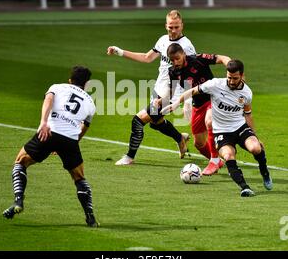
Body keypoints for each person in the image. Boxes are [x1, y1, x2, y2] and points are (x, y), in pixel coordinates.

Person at [3, 66, 99, 227]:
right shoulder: (91, 103)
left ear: (70, 79)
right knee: (80, 178)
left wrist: (43, 122)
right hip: (70, 140)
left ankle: (18, 201)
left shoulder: (57, 87)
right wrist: (75, 140)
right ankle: (90, 218)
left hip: (49, 132)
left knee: (20, 162)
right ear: (86, 84)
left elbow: (48, 100)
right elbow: (85, 126)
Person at [162, 59, 273, 197]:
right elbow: (192, 91)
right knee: (228, 156)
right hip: (221, 131)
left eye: (235, 78)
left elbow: (248, 115)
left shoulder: (247, 93)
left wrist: (255, 136)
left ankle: (265, 172)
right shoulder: (215, 84)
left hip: (240, 127)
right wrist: (177, 103)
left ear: (242, 76)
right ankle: (244, 187)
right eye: (229, 77)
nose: (231, 81)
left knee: (256, 148)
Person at [107, 10, 197, 165]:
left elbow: (192, 73)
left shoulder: (187, 47)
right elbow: (147, 58)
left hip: (173, 92)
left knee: (138, 120)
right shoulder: (163, 40)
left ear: (182, 25)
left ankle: (129, 157)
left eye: (176, 27)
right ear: (166, 26)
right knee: (156, 123)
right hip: (159, 88)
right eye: (170, 27)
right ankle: (180, 138)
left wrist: (187, 101)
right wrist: (120, 52)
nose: (173, 30)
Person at [156, 43, 231, 175]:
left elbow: (222, 58)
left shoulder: (198, 59)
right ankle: (217, 161)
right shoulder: (173, 71)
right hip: (198, 103)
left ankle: (214, 161)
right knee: (199, 143)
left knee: (209, 121)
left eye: (178, 58)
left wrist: (232, 69)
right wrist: (161, 100)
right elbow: (171, 92)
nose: (175, 62)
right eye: (172, 60)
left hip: (214, 98)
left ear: (184, 54)